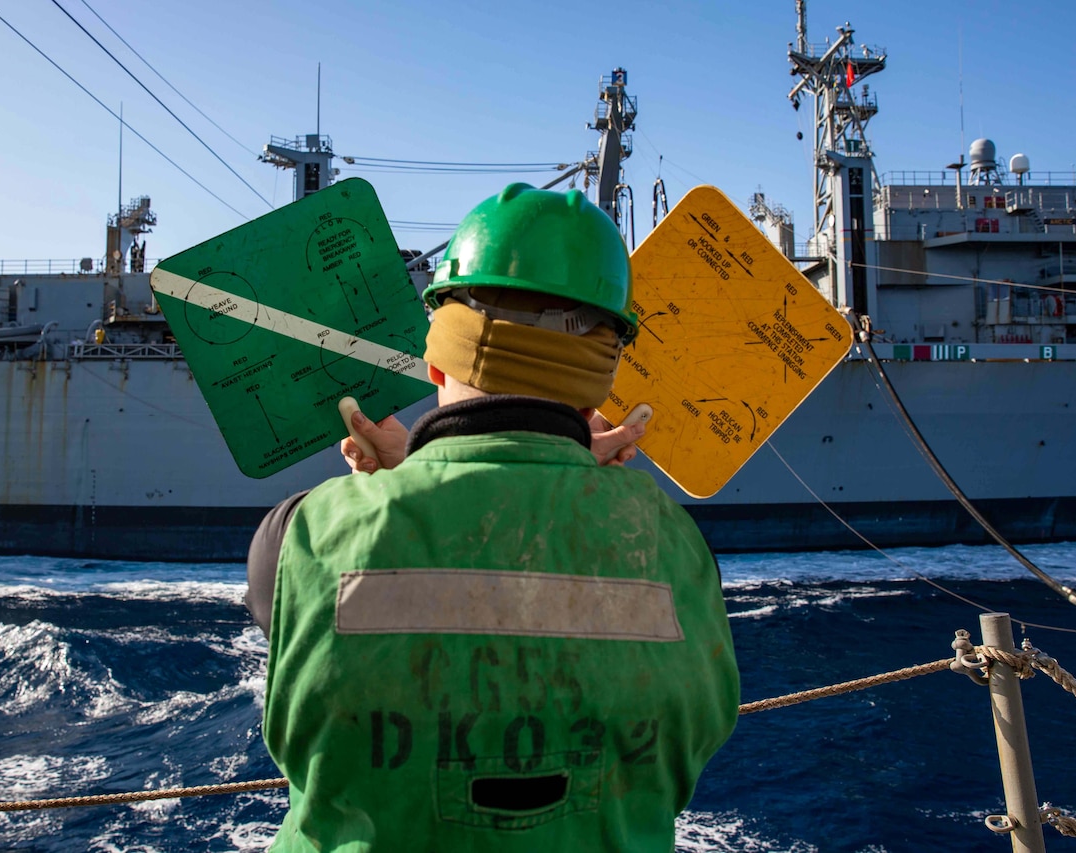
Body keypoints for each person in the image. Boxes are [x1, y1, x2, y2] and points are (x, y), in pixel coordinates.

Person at [246, 183, 739, 852]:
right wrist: (563, 472)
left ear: (435, 356)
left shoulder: (296, 537)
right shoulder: (682, 553)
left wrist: (410, 471)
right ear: (604, 373)